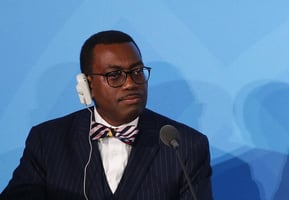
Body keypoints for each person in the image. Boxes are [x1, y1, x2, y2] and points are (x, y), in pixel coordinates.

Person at [0, 30, 213, 200]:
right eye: (115, 75)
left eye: (137, 71)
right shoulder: (48, 140)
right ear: (87, 85)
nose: (130, 83)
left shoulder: (185, 145)